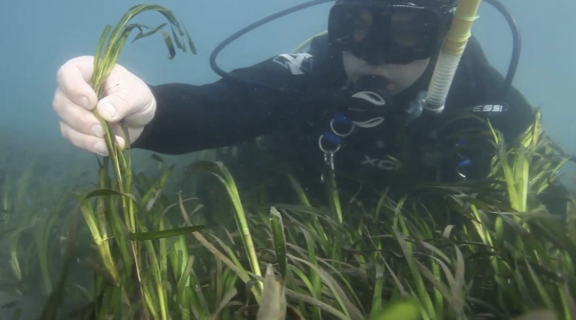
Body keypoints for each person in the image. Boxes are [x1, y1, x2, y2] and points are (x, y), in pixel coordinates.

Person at [52, 0, 534, 196]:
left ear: (447, 40)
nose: (374, 57)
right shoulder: (312, 74)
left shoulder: (483, 94)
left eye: (409, 36)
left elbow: (537, 186)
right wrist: (151, 115)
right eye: (357, 29)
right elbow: (221, 106)